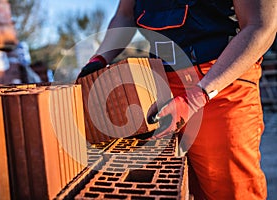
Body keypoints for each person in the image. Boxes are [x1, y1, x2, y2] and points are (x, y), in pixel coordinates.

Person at [76, 0, 277, 199]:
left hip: (219, 83)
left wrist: (197, 96)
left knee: (230, 187)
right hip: (163, 84)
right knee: (181, 186)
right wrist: (99, 59)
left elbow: (261, 26)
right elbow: (125, 15)